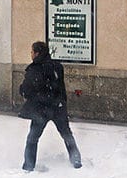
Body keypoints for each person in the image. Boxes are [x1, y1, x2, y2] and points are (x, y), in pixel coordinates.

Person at [19, 41, 81, 171]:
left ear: (36, 53)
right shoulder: (57, 66)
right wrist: (62, 103)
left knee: (32, 138)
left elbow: (26, 90)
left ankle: (28, 166)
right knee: (66, 134)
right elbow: (61, 88)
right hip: (57, 107)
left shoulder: (34, 69)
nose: (31, 54)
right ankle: (76, 160)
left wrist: (23, 91)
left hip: (41, 110)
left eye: (31, 52)